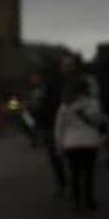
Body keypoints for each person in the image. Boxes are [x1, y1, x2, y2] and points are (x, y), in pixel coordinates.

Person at [54, 79, 108, 212]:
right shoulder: (93, 103)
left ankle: (77, 202)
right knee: (89, 173)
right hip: (90, 142)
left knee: (75, 173)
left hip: (71, 143)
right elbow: (99, 120)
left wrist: (59, 145)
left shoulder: (64, 106)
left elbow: (59, 128)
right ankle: (89, 200)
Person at [27, 68, 67, 196]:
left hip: (51, 125)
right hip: (48, 125)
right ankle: (62, 182)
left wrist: (35, 114)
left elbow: (42, 108)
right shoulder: (38, 90)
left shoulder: (45, 90)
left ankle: (63, 183)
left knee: (56, 155)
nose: (32, 79)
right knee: (56, 155)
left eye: (34, 76)